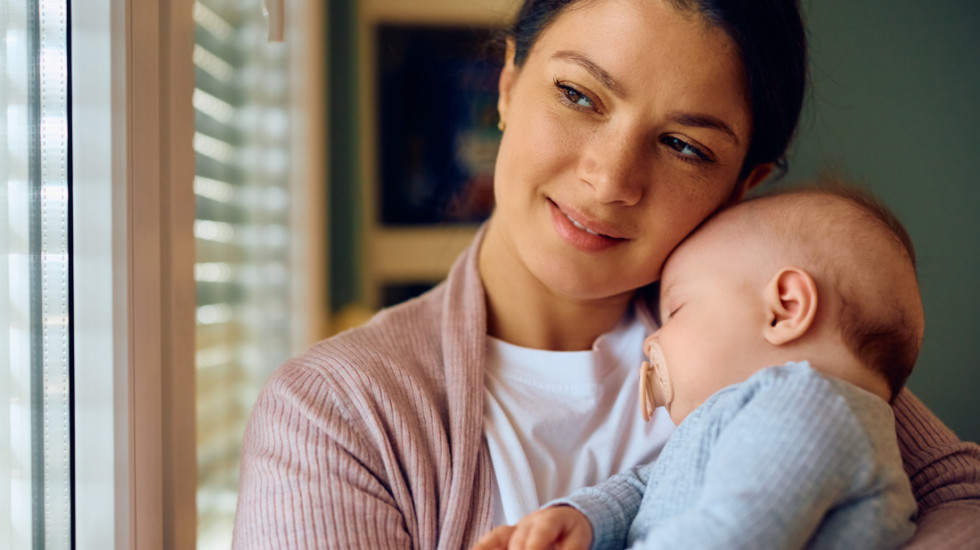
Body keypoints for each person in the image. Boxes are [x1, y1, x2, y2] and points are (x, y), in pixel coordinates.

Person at [232, 1, 980, 548]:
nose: (610, 179)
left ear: (742, 185)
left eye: (684, 146)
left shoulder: (771, 348)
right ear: (506, 84)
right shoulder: (338, 415)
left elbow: (962, 498)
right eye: (579, 96)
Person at [472, 186, 922, 550]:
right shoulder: (750, 413)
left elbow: (734, 531)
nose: (651, 339)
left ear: (785, 309)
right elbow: (646, 488)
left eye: (678, 309)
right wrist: (583, 520)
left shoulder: (812, 412)